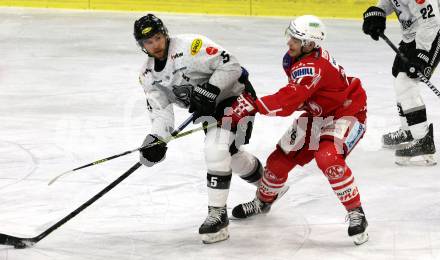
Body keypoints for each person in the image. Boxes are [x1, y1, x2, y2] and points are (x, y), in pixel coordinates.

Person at [228, 15, 369, 245]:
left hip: (346, 112)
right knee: (278, 161)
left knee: (328, 157)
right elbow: (299, 94)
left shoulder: (312, 67)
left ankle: (356, 212)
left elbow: (290, 99)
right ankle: (263, 201)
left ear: (310, 44)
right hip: (319, 113)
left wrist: (255, 105)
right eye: (290, 35)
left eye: (295, 39)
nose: (289, 42)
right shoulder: (294, 58)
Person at [133, 14, 266, 244]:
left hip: (237, 95)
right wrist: (156, 139)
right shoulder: (148, 75)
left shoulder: (191, 47)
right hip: (211, 108)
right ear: (142, 46)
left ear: (164, 33)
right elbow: (161, 113)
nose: (154, 45)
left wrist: (212, 88)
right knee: (229, 156)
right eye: (148, 42)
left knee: (216, 149)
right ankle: (270, 186)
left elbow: (232, 64)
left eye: (157, 38)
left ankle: (218, 216)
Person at [362, 0, 437, 166]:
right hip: (411, 36)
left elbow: (431, 22)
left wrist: (422, 53)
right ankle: (409, 130)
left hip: (432, 35)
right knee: (399, 77)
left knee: (406, 82)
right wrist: (378, 12)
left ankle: (423, 140)